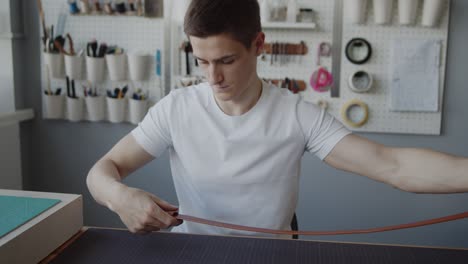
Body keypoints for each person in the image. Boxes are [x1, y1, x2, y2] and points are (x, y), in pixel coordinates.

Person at [86, 0, 468, 238]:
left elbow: (394, 166)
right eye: (201, 62)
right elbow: (103, 171)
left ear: (259, 45)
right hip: (194, 251)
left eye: (227, 60)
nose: (212, 77)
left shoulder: (296, 114)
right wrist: (119, 197)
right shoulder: (176, 108)